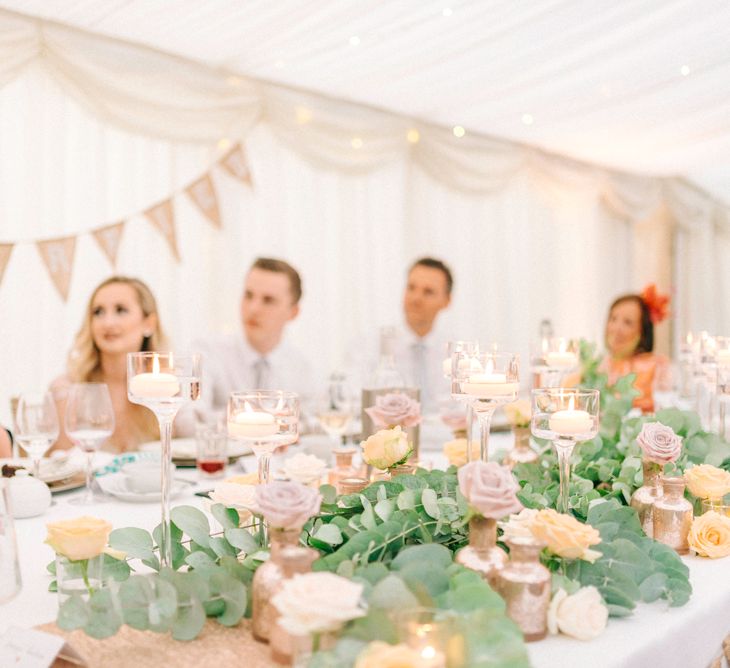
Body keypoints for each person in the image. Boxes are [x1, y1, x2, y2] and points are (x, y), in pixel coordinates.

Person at [50, 276, 168, 452]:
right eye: (98, 312)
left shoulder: (167, 388)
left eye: (121, 310)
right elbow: (65, 469)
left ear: (149, 324)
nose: (108, 323)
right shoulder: (68, 390)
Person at [194, 257, 312, 421]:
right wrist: (257, 421)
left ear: (293, 312)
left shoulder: (303, 368)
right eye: (248, 296)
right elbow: (187, 420)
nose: (253, 309)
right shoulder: (207, 352)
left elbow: (313, 421)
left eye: (268, 300)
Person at [383, 257, 454, 415]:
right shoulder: (371, 346)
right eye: (411, 288)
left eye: (428, 292)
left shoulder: (458, 355)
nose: (416, 298)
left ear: (447, 301)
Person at [599, 285, 670, 413]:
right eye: (613, 319)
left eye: (628, 322)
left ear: (643, 332)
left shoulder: (657, 366)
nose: (616, 328)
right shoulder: (598, 365)